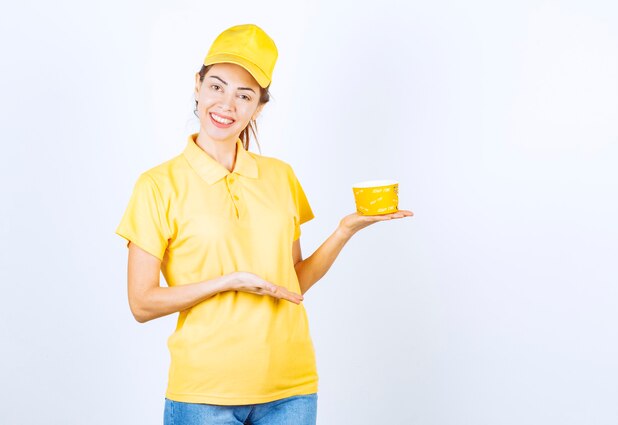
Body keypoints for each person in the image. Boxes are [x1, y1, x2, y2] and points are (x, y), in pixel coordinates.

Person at [115, 23, 413, 425]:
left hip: (290, 388)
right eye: (217, 87)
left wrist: (345, 229)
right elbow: (142, 303)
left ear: (259, 107)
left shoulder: (280, 176)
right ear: (197, 86)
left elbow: (293, 283)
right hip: (204, 394)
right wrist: (227, 282)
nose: (226, 105)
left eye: (244, 95)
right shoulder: (157, 185)